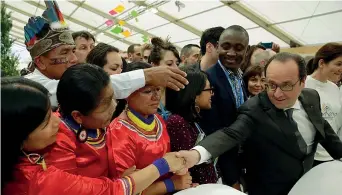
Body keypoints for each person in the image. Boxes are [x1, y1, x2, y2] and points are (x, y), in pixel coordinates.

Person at [177, 52, 342, 195]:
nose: (277, 94)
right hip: (269, 189)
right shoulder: (254, 109)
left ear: (303, 81)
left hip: (307, 183)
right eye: (271, 85)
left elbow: (324, 130)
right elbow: (230, 134)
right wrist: (196, 154)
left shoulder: (312, 96)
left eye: (286, 85)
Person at [1, 77, 186, 195]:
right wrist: (163, 166)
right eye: (46, 122)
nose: (56, 122)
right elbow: (112, 190)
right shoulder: (37, 180)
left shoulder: (27, 159)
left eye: (53, 113)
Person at [23, 2, 188, 108]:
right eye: (65, 52)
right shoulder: (32, 87)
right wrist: (146, 75)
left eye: (73, 50)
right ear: (40, 61)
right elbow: (88, 88)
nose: (73, 59)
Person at [108, 62, 193, 194]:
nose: (156, 97)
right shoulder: (118, 132)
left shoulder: (157, 119)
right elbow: (126, 188)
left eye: (158, 89)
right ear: (127, 94)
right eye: (147, 91)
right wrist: (171, 184)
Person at [199, 25, 249, 189]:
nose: (232, 53)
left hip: (242, 161)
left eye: (239, 48)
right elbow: (215, 131)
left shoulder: (241, 77)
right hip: (222, 165)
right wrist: (232, 177)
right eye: (226, 47)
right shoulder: (208, 79)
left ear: (246, 50)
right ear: (218, 47)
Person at [165, 67, 218, 184]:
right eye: (209, 89)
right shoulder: (177, 122)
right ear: (194, 93)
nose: (212, 93)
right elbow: (186, 165)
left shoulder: (192, 120)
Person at [305, 42, 342, 166]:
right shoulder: (304, 85)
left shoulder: (335, 89)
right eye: (339, 64)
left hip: (332, 156)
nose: (341, 69)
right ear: (321, 63)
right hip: (309, 156)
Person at [149, 37, 181, 120]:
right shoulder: (144, 94)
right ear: (154, 66)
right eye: (169, 64)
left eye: (177, 63)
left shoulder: (178, 90)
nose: (176, 68)